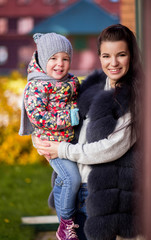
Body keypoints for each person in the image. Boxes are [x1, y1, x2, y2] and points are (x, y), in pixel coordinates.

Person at [32, 24, 144, 240]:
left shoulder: (135, 97)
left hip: (103, 195)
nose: (113, 63)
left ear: (131, 55)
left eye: (121, 55)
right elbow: (64, 122)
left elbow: (110, 148)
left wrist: (62, 149)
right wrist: (43, 139)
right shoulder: (89, 89)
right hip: (75, 189)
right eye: (106, 55)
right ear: (99, 56)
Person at [19, 33, 81, 240]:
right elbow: (38, 116)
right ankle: (65, 225)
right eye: (53, 58)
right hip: (51, 143)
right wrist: (70, 117)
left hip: (69, 142)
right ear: (42, 59)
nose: (60, 64)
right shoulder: (36, 86)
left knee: (66, 180)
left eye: (65, 59)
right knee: (72, 178)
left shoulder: (71, 82)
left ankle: (61, 200)